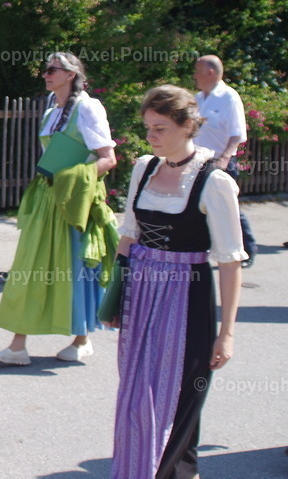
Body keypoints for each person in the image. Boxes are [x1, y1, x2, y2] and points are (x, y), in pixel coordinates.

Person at [109, 85, 244, 478]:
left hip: (187, 296)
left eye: (160, 128)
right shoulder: (144, 168)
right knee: (136, 399)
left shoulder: (213, 181)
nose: (150, 136)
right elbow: (129, 236)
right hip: (141, 294)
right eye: (148, 128)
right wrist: (116, 297)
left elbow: (230, 261)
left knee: (181, 400)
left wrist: (228, 333)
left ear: (188, 127)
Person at [0, 52, 118, 366]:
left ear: (70, 74)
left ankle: (81, 338)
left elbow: (108, 158)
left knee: (77, 268)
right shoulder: (51, 107)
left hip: (74, 201)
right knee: (29, 268)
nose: (45, 74)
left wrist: (75, 179)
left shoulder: (88, 107)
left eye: (52, 70)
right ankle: (18, 345)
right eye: (45, 69)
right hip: (47, 198)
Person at [193, 54, 257, 267]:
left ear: (210, 72)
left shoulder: (228, 96)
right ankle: (203, 248)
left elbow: (237, 133)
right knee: (198, 206)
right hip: (198, 160)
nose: (195, 75)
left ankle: (247, 250)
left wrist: (225, 158)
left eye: (197, 71)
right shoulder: (198, 98)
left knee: (230, 208)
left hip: (221, 161)